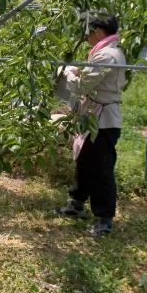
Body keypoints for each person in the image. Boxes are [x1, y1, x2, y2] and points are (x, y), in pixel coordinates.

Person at [57, 13, 126, 236]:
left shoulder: (106, 56)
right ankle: (76, 203)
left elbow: (82, 87)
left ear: (97, 31)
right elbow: (94, 77)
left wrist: (67, 74)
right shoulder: (106, 52)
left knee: (100, 168)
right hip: (95, 116)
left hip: (103, 121)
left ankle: (104, 218)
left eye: (88, 32)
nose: (86, 36)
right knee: (85, 161)